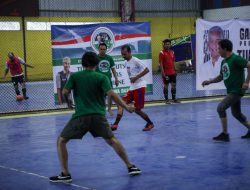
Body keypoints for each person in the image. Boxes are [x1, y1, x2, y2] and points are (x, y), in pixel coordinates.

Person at [49, 52, 141, 183]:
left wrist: (69, 102)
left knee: (61, 141)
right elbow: (112, 95)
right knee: (112, 140)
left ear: (83, 63)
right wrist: (126, 107)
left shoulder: (75, 77)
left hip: (81, 116)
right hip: (98, 116)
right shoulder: (101, 77)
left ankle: (65, 173)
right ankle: (130, 166)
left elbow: (65, 92)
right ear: (96, 64)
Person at [202, 39, 250, 142]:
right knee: (236, 114)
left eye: (219, 49)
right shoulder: (224, 61)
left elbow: (249, 65)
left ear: (225, 49)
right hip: (231, 91)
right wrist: (209, 82)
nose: (218, 51)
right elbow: (221, 76)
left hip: (237, 91)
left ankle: (225, 134)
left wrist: (246, 82)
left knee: (221, 108)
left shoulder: (236, 58)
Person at [111, 45, 154, 132]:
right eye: (122, 54)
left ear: (130, 52)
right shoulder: (126, 62)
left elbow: (147, 70)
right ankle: (115, 124)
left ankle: (150, 123)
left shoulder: (135, 60)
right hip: (132, 88)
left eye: (125, 54)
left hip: (140, 87)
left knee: (137, 110)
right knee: (121, 103)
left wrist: (136, 77)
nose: (123, 56)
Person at [96, 43, 119, 116]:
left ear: (106, 50)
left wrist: (116, 79)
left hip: (107, 81)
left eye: (104, 49)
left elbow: (113, 69)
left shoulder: (109, 58)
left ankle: (109, 109)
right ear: (98, 49)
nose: (102, 51)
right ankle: (101, 110)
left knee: (110, 95)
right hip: (98, 82)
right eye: (101, 49)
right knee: (99, 97)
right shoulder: (95, 59)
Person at [159, 39, 180, 104]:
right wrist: (163, 73)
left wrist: (175, 70)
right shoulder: (161, 53)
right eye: (166, 44)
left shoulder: (172, 52)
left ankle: (174, 99)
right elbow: (161, 63)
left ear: (170, 45)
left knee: (174, 85)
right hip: (166, 73)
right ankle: (166, 100)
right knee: (166, 86)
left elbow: (173, 61)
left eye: (168, 44)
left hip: (172, 73)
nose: (167, 45)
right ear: (164, 45)